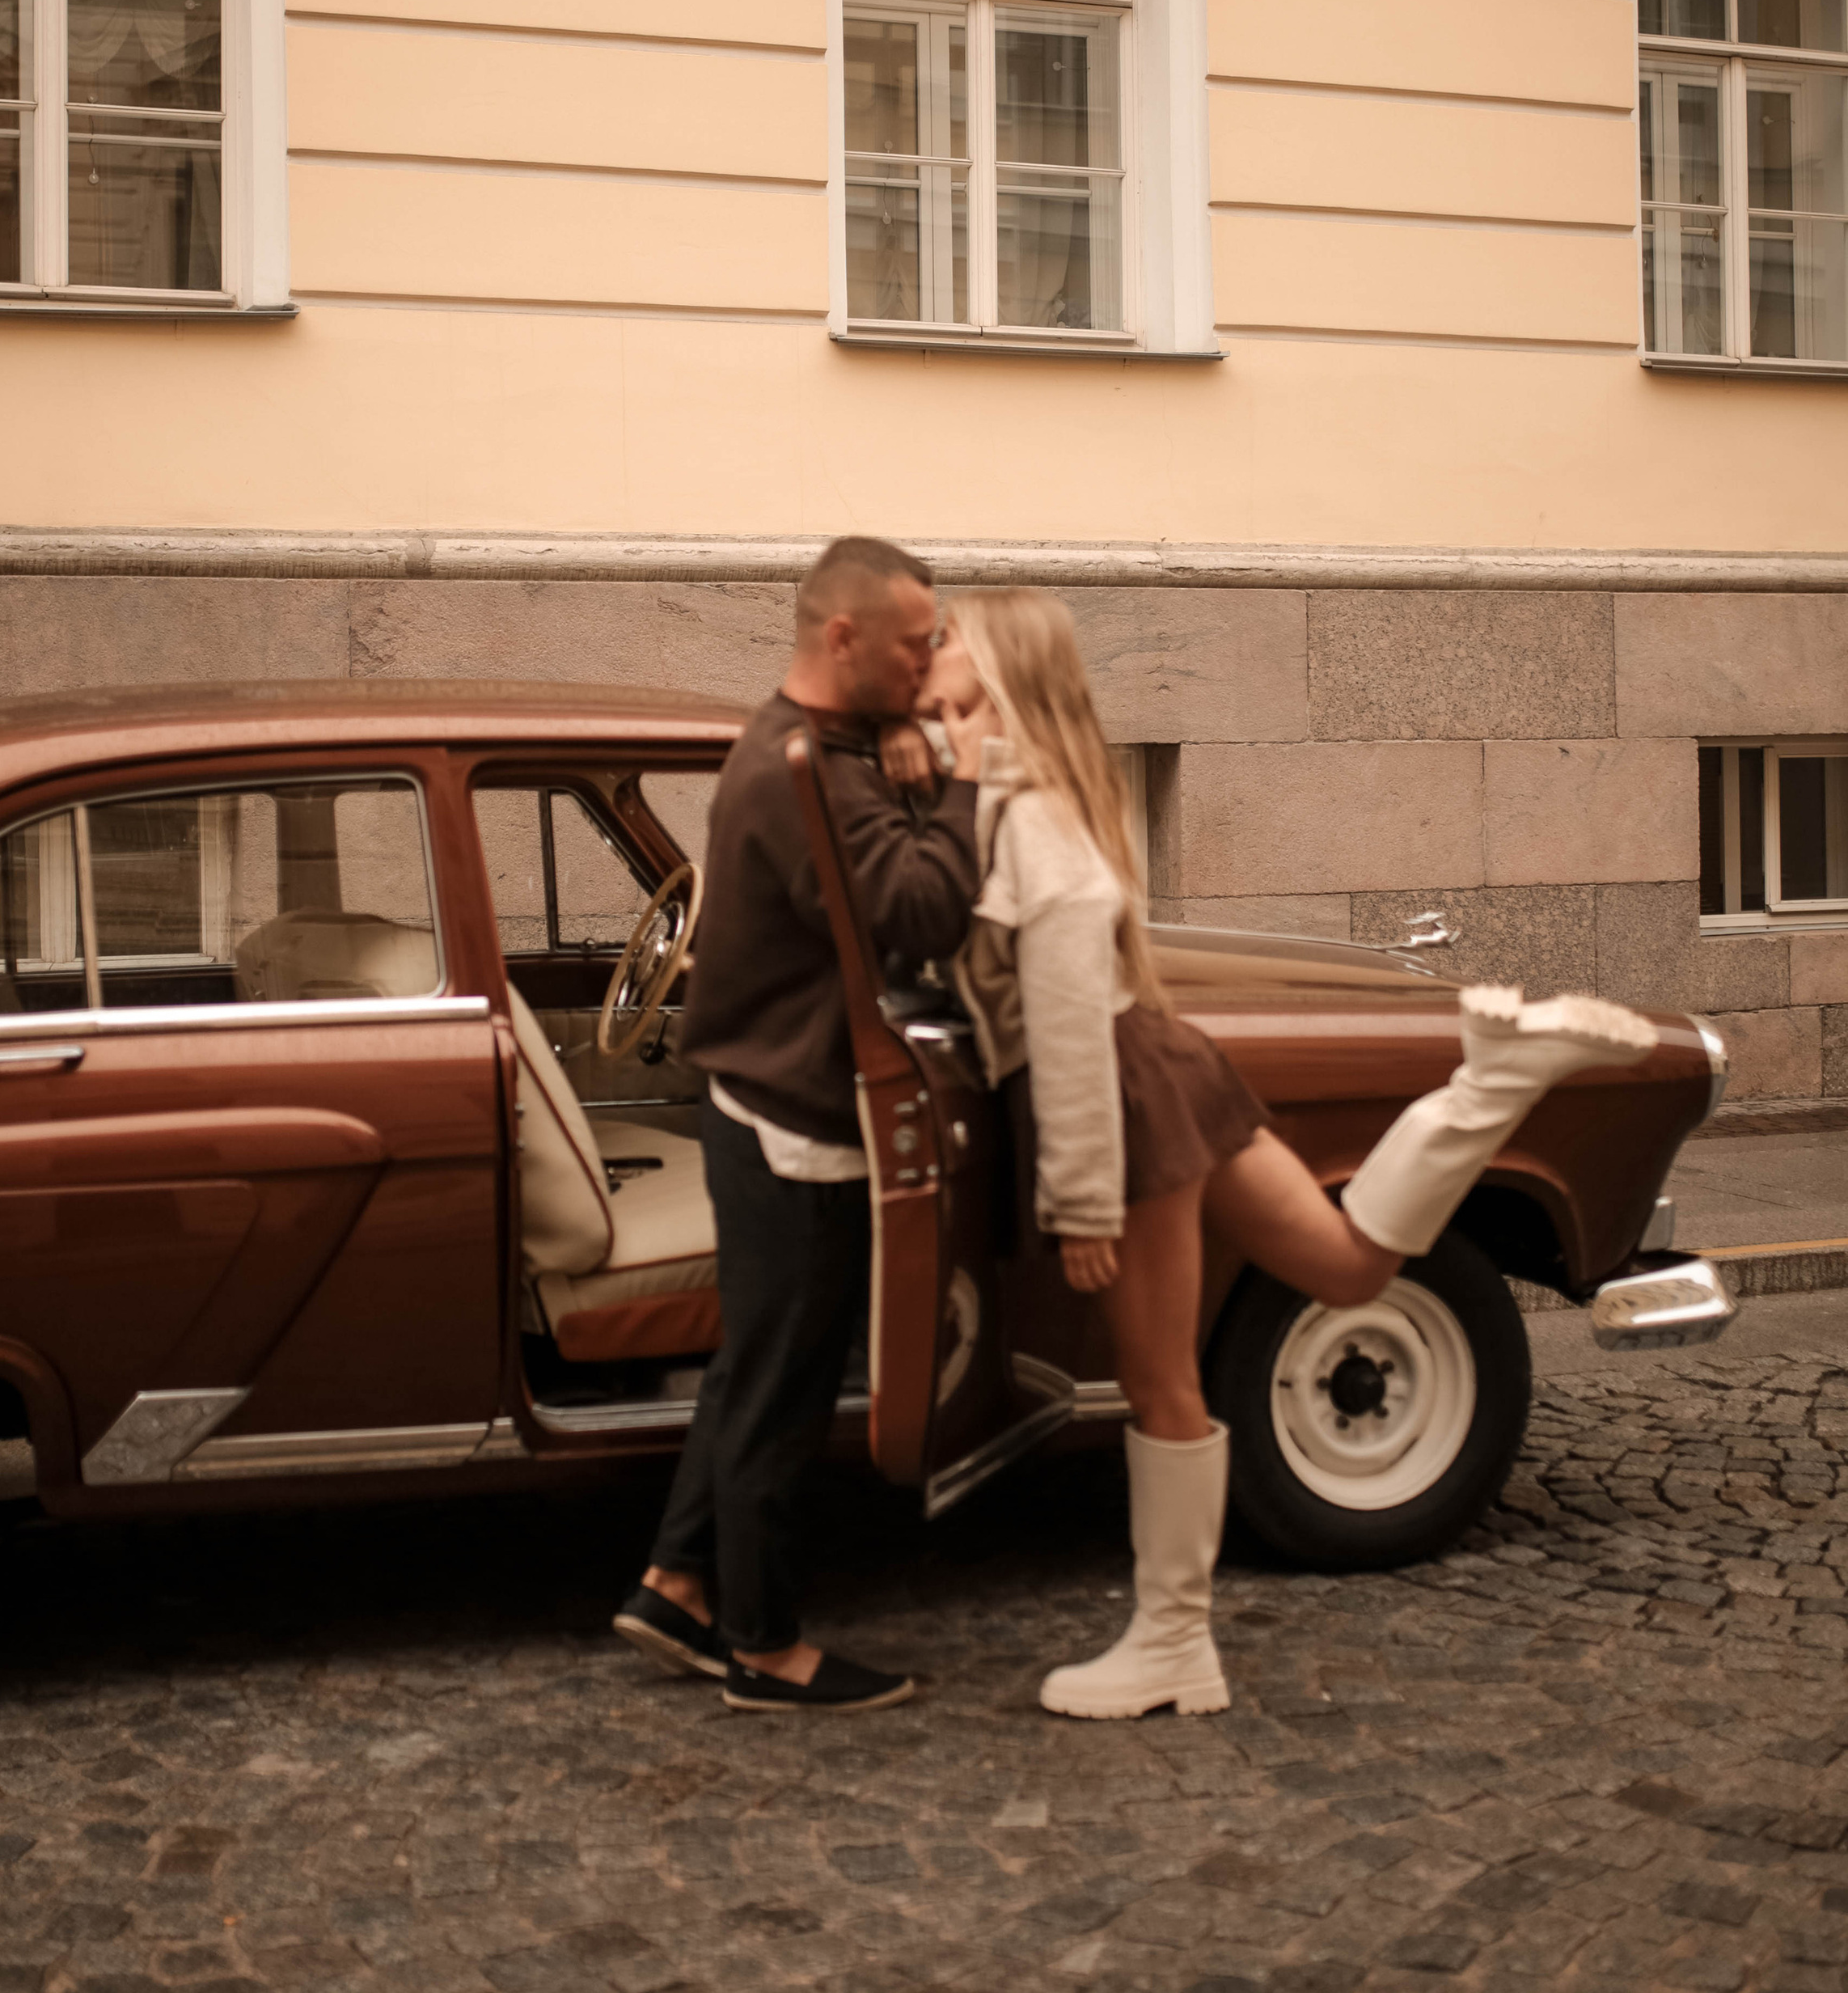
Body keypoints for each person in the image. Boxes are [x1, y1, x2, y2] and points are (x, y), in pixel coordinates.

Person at [922, 587, 1656, 1723]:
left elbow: (1065, 1025)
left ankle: (1173, 1645)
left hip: (1119, 1095)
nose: (930, 665)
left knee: (1163, 1383)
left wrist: (1075, 1206)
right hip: (1167, 1064)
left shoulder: (1025, 818)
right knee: (1352, 1270)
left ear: (1003, 682)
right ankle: (1496, 1078)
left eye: (950, 656)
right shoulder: (1045, 797)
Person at [612, 535, 990, 1715]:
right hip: (797, 1120)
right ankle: (765, 1648)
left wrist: (910, 757)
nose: (930, 660)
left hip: (759, 1100)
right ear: (845, 639)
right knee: (785, 1380)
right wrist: (971, 778)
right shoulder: (804, 770)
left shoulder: (805, 740)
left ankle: (677, 1581)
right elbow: (920, 913)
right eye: (917, 641)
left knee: (753, 1361)